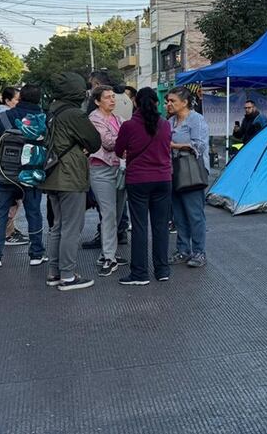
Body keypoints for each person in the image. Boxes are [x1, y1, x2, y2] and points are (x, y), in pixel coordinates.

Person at [42, 72, 101, 291]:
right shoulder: (74, 114)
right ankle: (67, 276)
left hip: (51, 174)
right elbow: (94, 141)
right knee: (71, 227)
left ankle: (53, 272)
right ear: (76, 91)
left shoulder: (52, 110)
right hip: (70, 174)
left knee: (57, 226)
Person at [0, 84, 48, 268]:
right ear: (39, 99)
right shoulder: (45, 119)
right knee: (33, 212)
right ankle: (36, 253)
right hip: (32, 174)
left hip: (4, 174)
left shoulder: (3, 118)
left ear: (20, 99)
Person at [115, 88, 173, 285]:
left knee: (140, 227)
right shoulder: (165, 125)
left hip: (138, 180)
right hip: (163, 179)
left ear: (136, 103)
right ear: (156, 103)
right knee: (161, 226)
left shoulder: (129, 125)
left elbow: (117, 150)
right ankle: (162, 270)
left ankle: (140, 273)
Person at [167, 86, 210, 268]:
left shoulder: (196, 120)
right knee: (178, 214)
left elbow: (198, 146)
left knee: (194, 214)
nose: (168, 104)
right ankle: (183, 250)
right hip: (174, 171)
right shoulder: (169, 122)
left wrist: (173, 145)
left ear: (184, 102)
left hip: (192, 172)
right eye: (167, 101)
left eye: (172, 101)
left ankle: (199, 251)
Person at [87, 85, 128, 277]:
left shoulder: (118, 119)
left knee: (117, 212)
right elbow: (109, 142)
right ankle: (109, 256)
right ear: (97, 101)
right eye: (107, 97)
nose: (112, 100)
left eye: (113, 97)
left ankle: (108, 252)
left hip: (119, 168)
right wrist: (125, 139)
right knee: (109, 212)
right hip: (101, 168)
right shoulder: (94, 119)